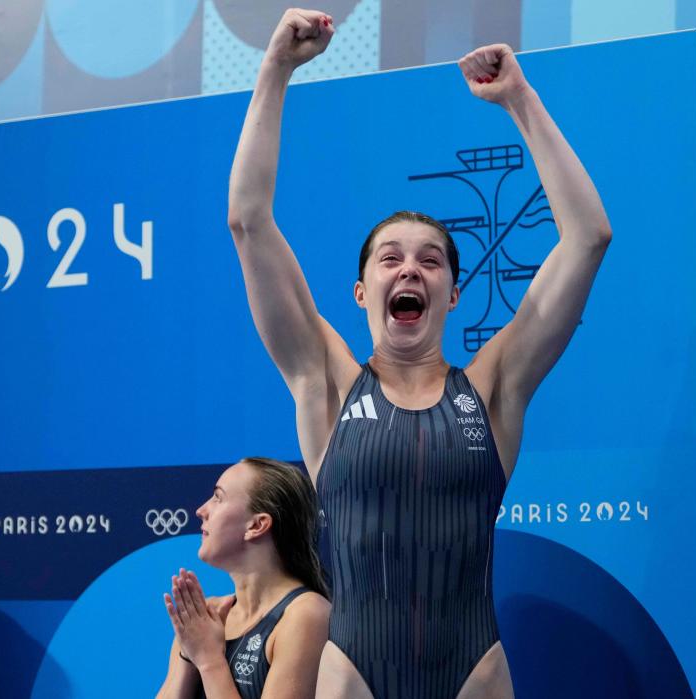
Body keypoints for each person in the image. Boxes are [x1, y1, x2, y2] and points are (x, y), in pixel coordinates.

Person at [227, 9, 612, 698]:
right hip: (352, 678)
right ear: (359, 290)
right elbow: (249, 222)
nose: (410, 270)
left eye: (431, 261)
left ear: (454, 294)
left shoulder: (495, 388)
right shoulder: (323, 378)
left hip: (476, 676)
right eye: (391, 259)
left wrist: (520, 101)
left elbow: (588, 236)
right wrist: (275, 70)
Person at [158, 457, 331, 699]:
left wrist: (209, 661)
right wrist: (190, 651)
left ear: (257, 525)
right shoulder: (204, 619)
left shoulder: (305, 615)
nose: (201, 510)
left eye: (218, 497)